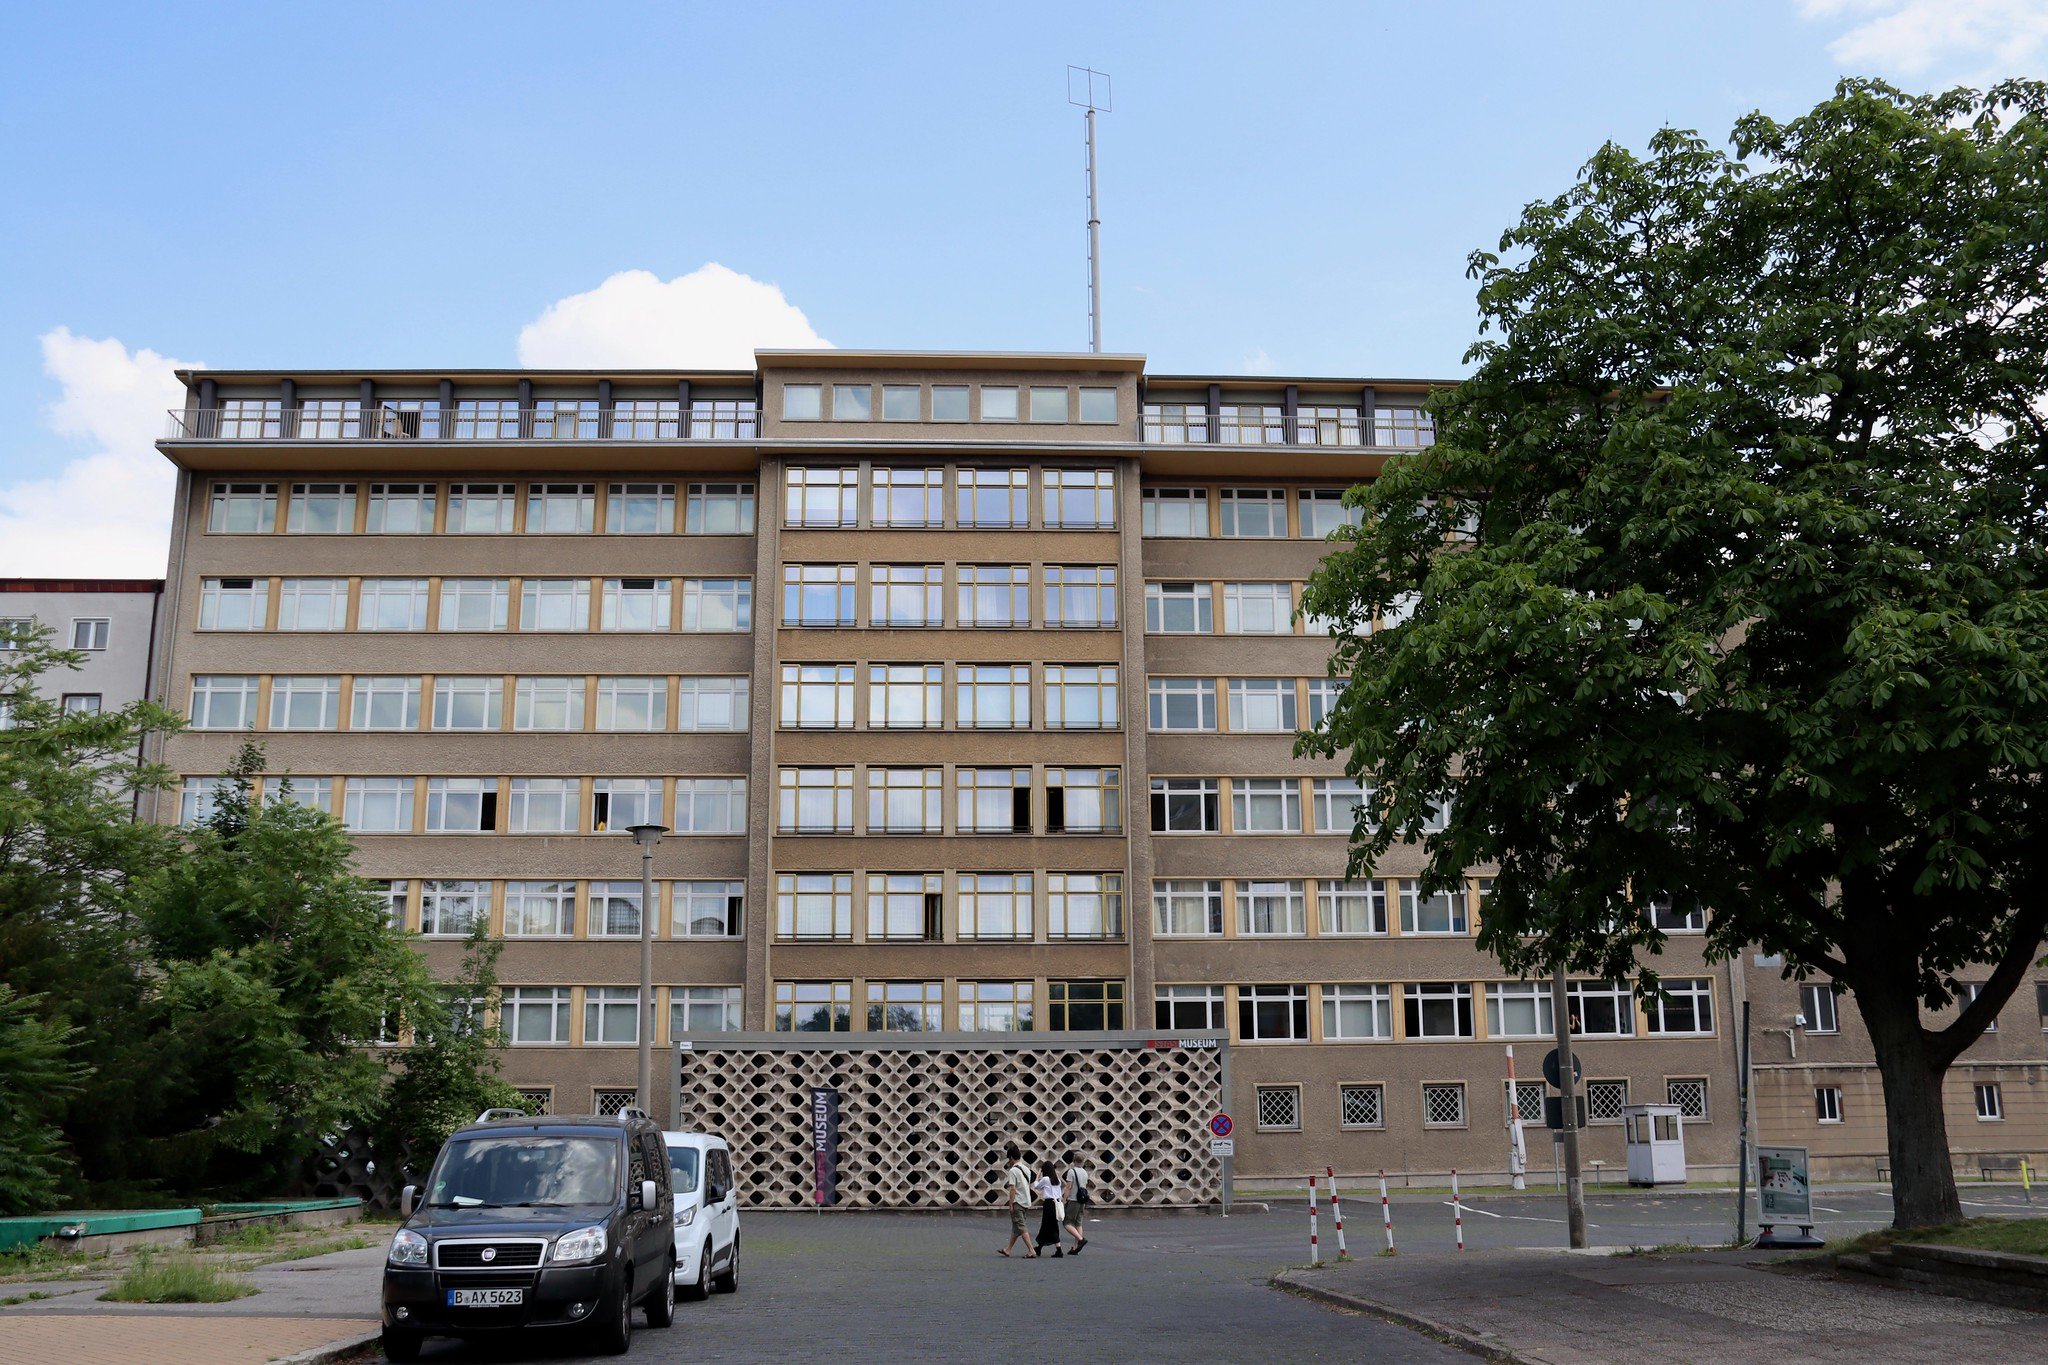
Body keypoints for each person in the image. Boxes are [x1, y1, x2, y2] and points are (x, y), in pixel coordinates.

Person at [998, 1143, 1037, 1258]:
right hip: (1026, 1200)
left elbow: (1012, 1189)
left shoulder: (1013, 1171)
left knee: (1021, 1226)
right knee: (1017, 1227)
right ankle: (1008, 1249)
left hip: (1018, 1201)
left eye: (1008, 1159)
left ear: (1011, 1157)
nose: (1008, 1161)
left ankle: (1031, 1250)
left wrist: (1010, 1204)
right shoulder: (1026, 1169)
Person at [1033, 1160, 1065, 1258]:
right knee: (1048, 1226)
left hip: (1048, 1204)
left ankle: (1059, 1250)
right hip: (1056, 1203)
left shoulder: (1046, 1179)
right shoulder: (1057, 1180)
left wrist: (1038, 1175)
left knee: (1049, 1226)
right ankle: (1039, 1248)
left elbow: (1036, 1186)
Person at [1061, 1150, 1089, 1254]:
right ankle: (1076, 1247)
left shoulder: (1071, 1172)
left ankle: (1081, 1240)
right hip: (1082, 1200)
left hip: (1073, 1200)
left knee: (1067, 1223)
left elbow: (1068, 1187)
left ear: (1073, 1160)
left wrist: (1064, 1200)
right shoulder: (1085, 1172)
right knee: (1078, 1223)